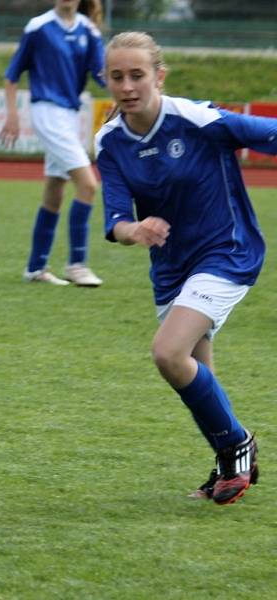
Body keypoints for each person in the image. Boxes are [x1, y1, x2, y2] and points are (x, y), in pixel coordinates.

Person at [96, 31, 275, 504]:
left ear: (159, 75)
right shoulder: (110, 141)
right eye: (117, 77)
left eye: (137, 75)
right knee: (197, 370)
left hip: (226, 251)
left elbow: (268, 135)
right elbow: (114, 218)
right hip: (172, 269)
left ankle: (239, 445)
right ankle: (228, 464)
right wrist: (133, 230)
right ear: (106, 81)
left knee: (168, 354)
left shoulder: (196, 119)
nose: (128, 85)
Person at [0, 0, 105, 286]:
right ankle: (77, 265)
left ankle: (35, 268)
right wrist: (12, 116)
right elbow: (12, 76)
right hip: (46, 111)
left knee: (55, 190)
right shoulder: (39, 27)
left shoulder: (89, 31)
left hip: (72, 115)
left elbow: (102, 74)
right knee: (88, 185)